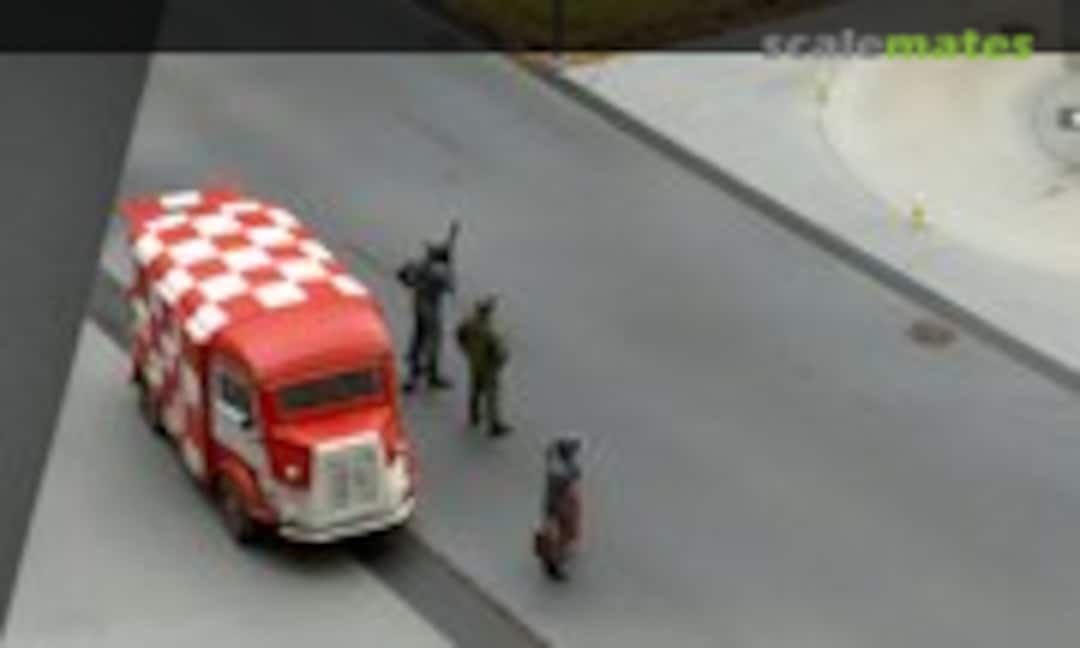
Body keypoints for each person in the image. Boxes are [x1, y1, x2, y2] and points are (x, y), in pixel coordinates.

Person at [397, 223, 459, 393]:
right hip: (430, 307)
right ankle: (429, 375)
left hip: (418, 303)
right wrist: (450, 267)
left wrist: (412, 283)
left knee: (418, 338)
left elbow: (402, 274)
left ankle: (413, 376)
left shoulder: (420, 265)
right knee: (433, 341)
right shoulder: (438, 271)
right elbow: (450, 286)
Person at [455, 296, 512, 436]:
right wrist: (501, 361)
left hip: (474, 361)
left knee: (475, 388)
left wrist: (466, 350)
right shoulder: (488, 332)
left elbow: (460, 336)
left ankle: (473, 415)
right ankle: (494, 424)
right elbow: (498, 351)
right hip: (488, 366)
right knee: (491, 394)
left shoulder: (468, 323)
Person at [536, 435, 583, 581]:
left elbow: (549, 453)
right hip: (561, 504)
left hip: (555, 503)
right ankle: (553, 565)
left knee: (556, 533)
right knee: (559, 535)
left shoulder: (554, 464)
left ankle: (554, 558)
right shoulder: (563, 471)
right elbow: (576, 474)